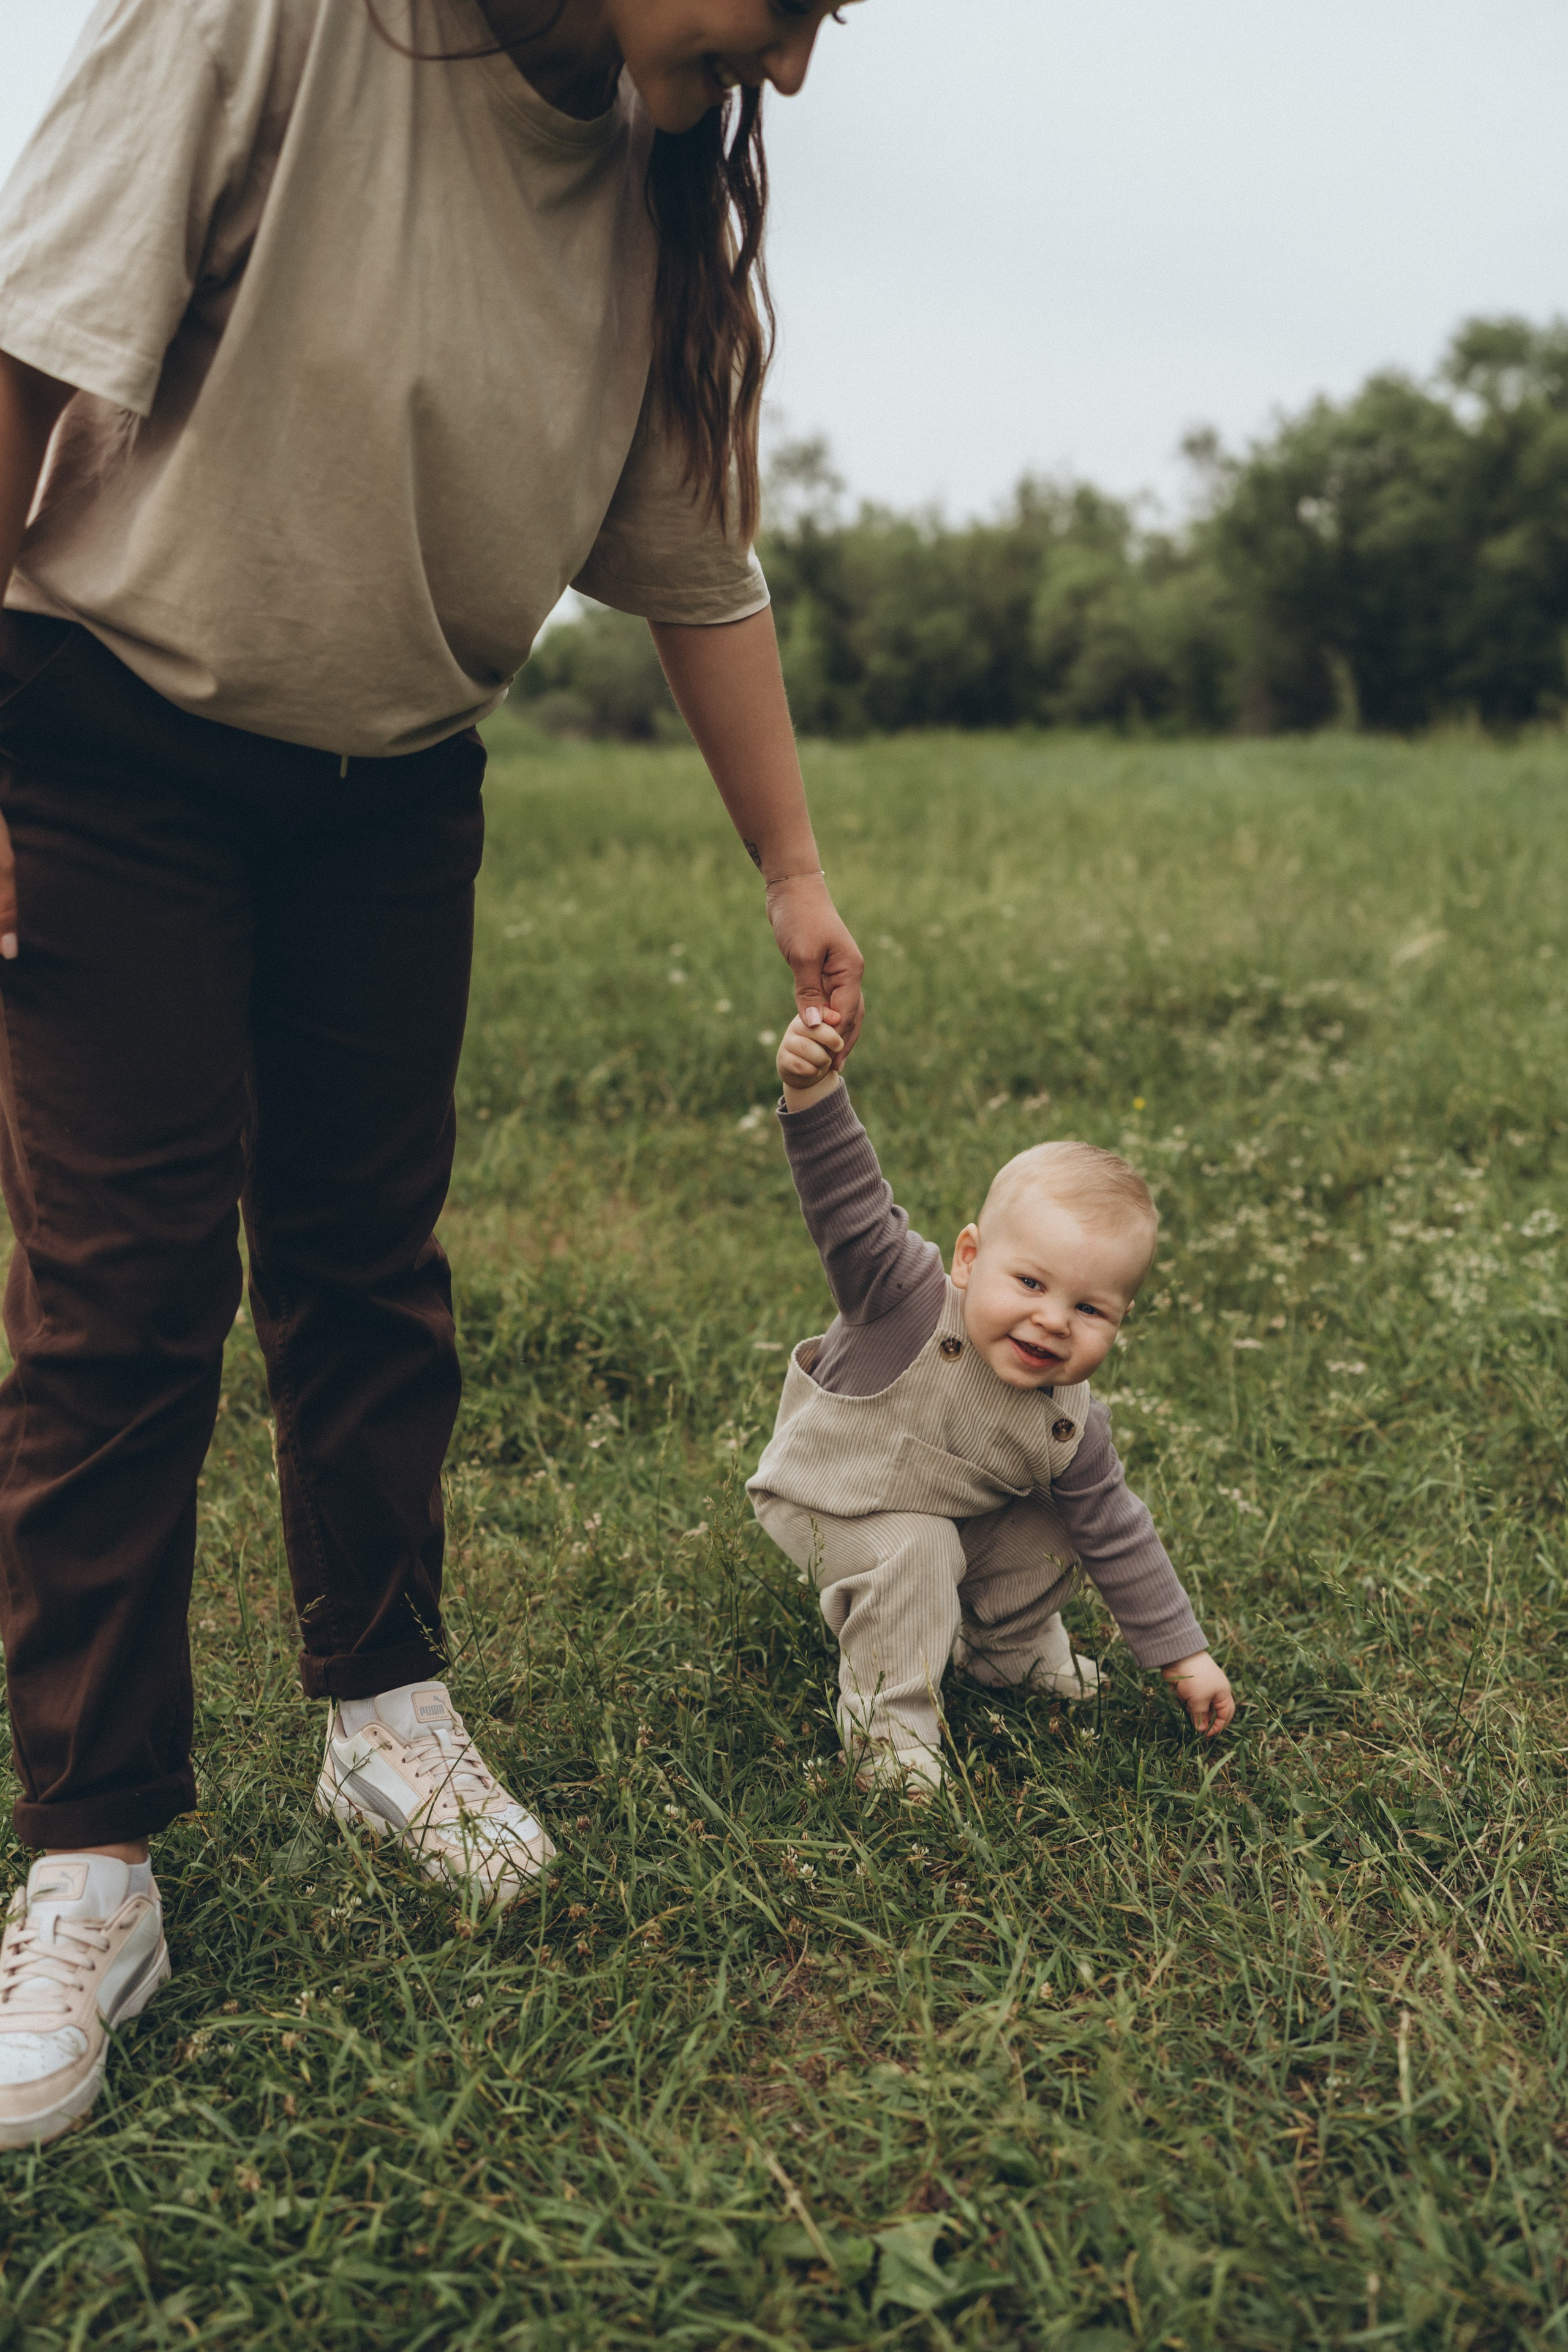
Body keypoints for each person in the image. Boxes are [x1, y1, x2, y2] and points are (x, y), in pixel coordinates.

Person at [0, 0, 867, 2147]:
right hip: (112, 731)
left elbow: (689, 552)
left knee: (370, 1266)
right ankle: (96, 1862)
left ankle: (381, 1710)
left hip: (390, 782)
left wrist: (794, 867)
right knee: (120, 1302)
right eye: (778, 10)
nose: (791, 73)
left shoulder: (657, 170)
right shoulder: (267, 18)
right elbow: (19, 354)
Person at [747, 1011, 1235, 1792]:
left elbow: (1119, 1536)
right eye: (1032, 1283)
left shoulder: (1070, 1423)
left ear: (1120, 1321)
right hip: (825, 1500)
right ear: (971, 1258)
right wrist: (812, 1089)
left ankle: (1004, 1651)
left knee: (1061, 1522)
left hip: (942, 1510)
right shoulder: (900, 1297)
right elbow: (846, 1199)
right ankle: (889, 1741)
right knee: (918, 1548)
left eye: (1090, 1308)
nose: (1051, 1319)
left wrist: (1185, 1656)